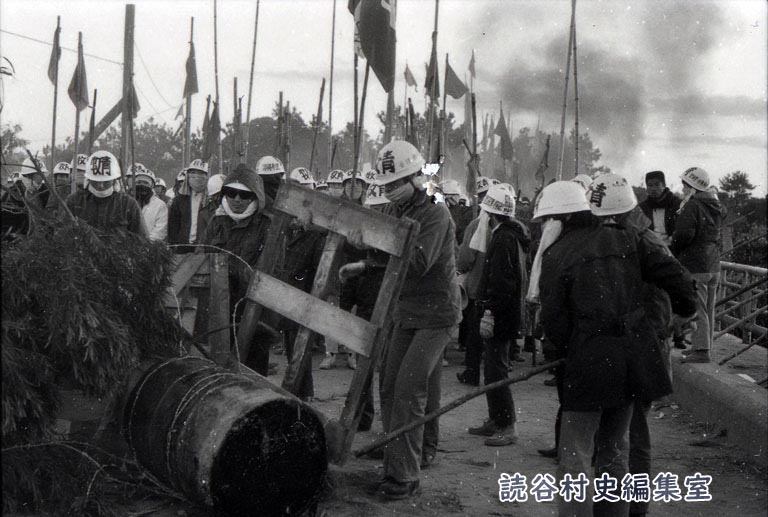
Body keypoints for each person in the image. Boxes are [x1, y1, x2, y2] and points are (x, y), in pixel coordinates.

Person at [539, 175, 697, 517]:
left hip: (588, 359)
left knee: (576, 454)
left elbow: (554, 321)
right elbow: (680, 279)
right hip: (631, 359)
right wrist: (683, 314)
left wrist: (565, 351)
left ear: (562, 218)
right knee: (614, 448)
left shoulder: (558, 253)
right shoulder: (630, 239)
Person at [342, 140, 461, 499]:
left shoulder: (436, 213)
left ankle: (405, 476)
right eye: (386, 185)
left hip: (437, 314)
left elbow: (418, 262)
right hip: (407, 310)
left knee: (409, 389)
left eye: (396, 183)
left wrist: (374, 246)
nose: (390, 190)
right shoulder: (398, 209)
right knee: (392, 384)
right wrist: (365, 259)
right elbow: (389, 254)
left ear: (416, 178)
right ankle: (404, 450)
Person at [467, 183, 530, 447]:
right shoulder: (509, 235)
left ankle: (507, 424)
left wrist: (490, 312)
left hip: (501, 315)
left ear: (490, 214)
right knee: (493, 369)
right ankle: (496, 419)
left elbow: (502, 283)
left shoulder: (503, 239)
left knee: (496, 372)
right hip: (506, 312)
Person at [200, 164, 276, 375]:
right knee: (219, 366)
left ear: (255, 196)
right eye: (231, 193)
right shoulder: (216, 222)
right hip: (219, 307)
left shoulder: (266, 226)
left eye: (244, 195)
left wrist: (233, 271)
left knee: (253, 370)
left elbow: (270, 269)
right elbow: (201, 256)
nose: (237, 199)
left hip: (253, 308)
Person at [275, 167, 324, 402]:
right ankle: (301, 391)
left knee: (300, 341)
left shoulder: (316, 229)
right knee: (290, 340)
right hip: (287, 287)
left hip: (304, 290)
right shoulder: (286, 222)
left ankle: (305, 392)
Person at [670, 167, 726, 364]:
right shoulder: (717, 206)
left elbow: (684, 235)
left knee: (698, 309)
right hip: (714, 265)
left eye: (685, 185)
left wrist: (674, 248)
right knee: (709, 309)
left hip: (695, 264)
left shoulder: (692, 206)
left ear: (692, 186)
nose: (683, 188)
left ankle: (701, 351)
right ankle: (703, 347)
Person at [455, 175, 505, 386]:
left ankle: (472, 371)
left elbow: (465, 258)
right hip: (500, 288)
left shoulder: (476, 225)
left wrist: (461, 269)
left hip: (478, 286)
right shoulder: (512, 227)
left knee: (475, 332)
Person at [66, 150, 147, 236]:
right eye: (96, 181)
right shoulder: (74, 201)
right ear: (88, 179)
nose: (100, 186)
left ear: (114, 180)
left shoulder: (128, 205)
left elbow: (142, 238)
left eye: (106, 181)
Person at [168, 159, 209, 253]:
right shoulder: (180, 200)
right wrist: (174, 244)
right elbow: (173, 224)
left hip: (204, 247)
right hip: (183, 246)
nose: (196, 177)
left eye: (200, 173)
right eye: (193, 173)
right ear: (188, 176)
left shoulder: (210, 199)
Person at [131, 166, 168, 242]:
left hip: (149, 245)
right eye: (139, 182)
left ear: (152, 186)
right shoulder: (128, 202)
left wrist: (147, 243)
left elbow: (160, 230)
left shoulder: (160, 205)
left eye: (145, 183)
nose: (142, 185)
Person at [197, 173, 225, 240]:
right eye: (221, 194)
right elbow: (202, 240)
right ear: (214, 196)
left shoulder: (236, 210)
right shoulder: (205, 214)